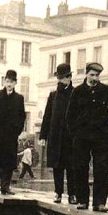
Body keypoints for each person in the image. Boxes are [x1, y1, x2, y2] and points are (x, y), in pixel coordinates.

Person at [66, 62, 108, 212]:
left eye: (97, 75)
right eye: (92, 75)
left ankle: (99, 203)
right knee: (80, 168)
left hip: (101, 137)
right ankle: (82, 200)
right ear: (86, 74)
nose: (95, 78)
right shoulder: (77, 91)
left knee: (101, 169)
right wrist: (75, 133)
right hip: (82, 137)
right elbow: (70, 115)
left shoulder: (106, 91)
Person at [0, 70, 26, 195]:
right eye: (7, 81)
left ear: (15, 83)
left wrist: (17, 131)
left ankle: (5, 186)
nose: (9, 84)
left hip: (10, 136)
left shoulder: (19, 98)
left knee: (9, 160)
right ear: (4, 81)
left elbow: (22, 116)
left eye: (12, 82)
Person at [40, 63, 76, 204]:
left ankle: (72, 195)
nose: (60, 81)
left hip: (70, 138)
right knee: (57, 166)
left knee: (71, 167)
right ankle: (58, 192)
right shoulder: (53, 95)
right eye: (59, 78)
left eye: (63, 78)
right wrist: (43, 135)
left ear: (69, 78)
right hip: (55, 137)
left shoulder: (75, 93)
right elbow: (47, 116)